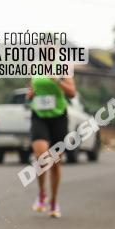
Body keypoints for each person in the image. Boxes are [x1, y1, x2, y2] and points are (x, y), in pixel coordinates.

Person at [26, 71, 76, 218]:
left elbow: (72, 93)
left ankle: (53, 202)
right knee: (41, 156)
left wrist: (57, 80)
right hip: (39, 117)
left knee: (55, 163)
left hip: (58, 117)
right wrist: (30, 95)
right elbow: (33, 88)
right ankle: (42, 193)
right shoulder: (35, 66)